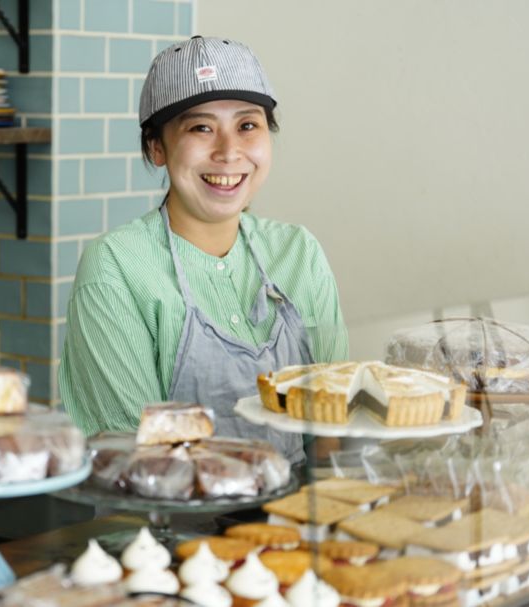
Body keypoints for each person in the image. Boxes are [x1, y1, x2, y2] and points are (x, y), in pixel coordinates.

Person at [59, 36, 348, 464]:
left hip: (296, 523)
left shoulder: (298, 252)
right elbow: (133, 460)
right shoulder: (117, 267)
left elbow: (330, 432)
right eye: (201, 128)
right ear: (157, 147)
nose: (229, 152)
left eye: (248, 126)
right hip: (166, 527)